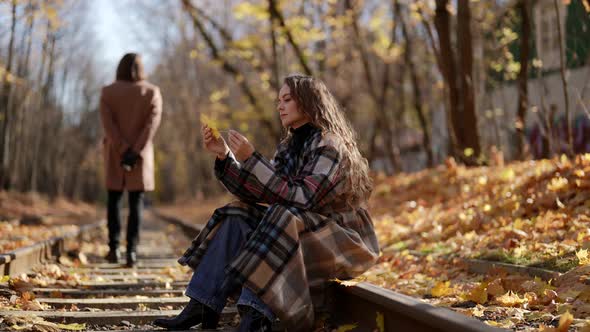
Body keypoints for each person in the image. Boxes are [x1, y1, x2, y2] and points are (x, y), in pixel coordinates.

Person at [154, 74, 379, 331]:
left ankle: (255, 315)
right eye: (278, 101)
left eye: (287, 99)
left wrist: (252, 159)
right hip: (300, 228)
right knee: (237, 213)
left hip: (341, 237)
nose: (279, 106)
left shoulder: (330, 144)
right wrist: (225, 156)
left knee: (282, 216)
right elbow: (261, 193)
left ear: (308, 102)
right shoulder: (288, 147)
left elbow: (303, 198)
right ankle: (203, 304)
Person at [99, 53, 163, 267]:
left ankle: (114, 248)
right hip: (141, 155)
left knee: (114, 200)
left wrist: (123, 148)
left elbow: (108, 126)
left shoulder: (107, 92)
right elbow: (151, 126)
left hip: (115, 153)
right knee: (136, 202)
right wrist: (135, 151)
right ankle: (132, 252)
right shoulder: (152, 92)